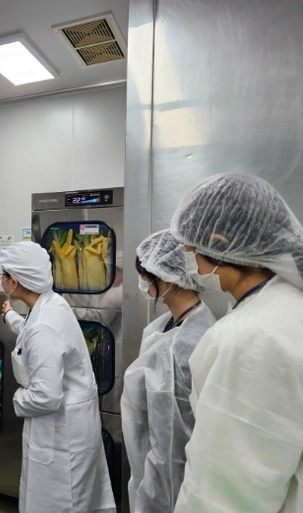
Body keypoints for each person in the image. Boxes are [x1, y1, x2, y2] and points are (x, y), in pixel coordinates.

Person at [170, 173, 303, 513]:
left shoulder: (250, 338)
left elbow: (223, 493)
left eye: (189, 246)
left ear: (219, 242)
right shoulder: (288, 306)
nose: (186, 256)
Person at [0, 240, 115, 513]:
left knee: (61, 503)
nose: (0, 279)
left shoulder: (44, 325)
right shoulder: (52, 303)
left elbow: (45, 397)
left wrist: (17, 399)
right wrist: (11, 317)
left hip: (60, 435)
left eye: (2, 274)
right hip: (70, 425)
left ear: (14, 281)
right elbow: (33, 332)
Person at [120, 229, 216, 513]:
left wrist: (155, 493)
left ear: (169, 280)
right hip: (150, 462)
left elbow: (172, 440)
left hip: (169, 482)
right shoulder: (167, 325)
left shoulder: (184, 345)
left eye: (146, 275)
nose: (142, 282)